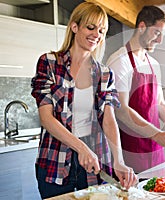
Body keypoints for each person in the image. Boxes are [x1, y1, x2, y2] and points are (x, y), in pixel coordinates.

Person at [31, 2, 137, 199]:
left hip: (93, 163)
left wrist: (118, 160)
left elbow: (109, 120)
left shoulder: (104, 73)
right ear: (74, 27)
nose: (97, 34)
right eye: (91, 27)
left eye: (102, 30)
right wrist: (81, 148)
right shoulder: (50, 63)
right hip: (55, 160)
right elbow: (46, 118)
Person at [106, 6, 165, 173]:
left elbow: (160, 105)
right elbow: (121, 110)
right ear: (142, 27)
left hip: (156, 150)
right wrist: (158, 134)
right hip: (131, 151)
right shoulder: (119, 61)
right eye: (157, 33)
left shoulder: (153, 64)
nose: (160, 41)